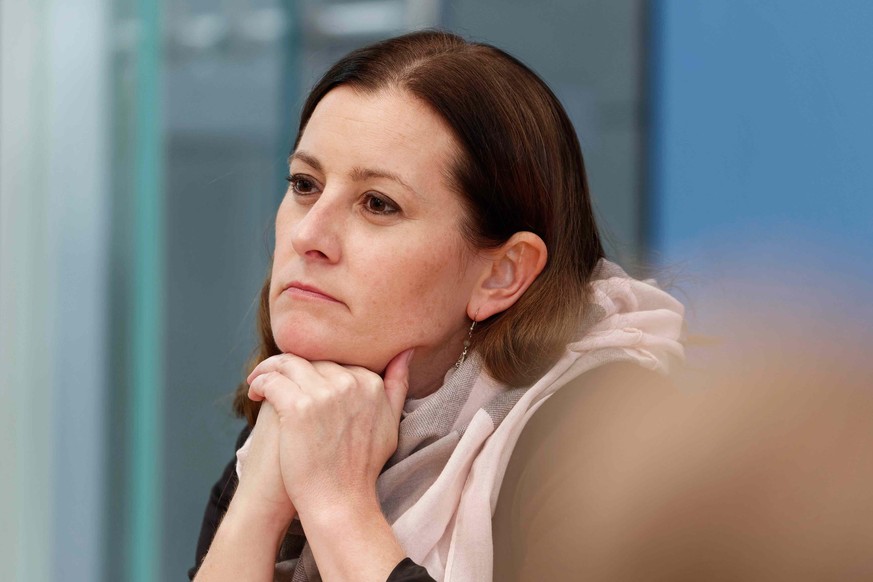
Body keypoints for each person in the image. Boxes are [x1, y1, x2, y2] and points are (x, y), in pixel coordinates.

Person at [189, 30, 684, 581]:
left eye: (378, 204)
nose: (309, 234)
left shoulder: (604, 440)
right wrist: (257, 507)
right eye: (305, 184)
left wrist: (338, 507)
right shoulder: (306, 409)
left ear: (501, 274)